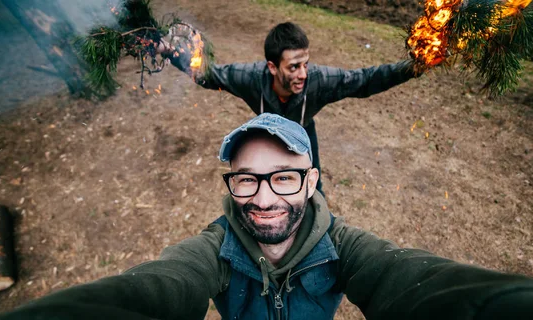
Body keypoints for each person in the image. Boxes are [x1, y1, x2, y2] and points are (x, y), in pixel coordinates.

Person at [0, 113, 533, 320]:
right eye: (246, 180)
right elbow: (151, 293)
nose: (262, 198)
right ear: (231, 185)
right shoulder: (211, 249)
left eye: (283, 178)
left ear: (312, 182)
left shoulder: (349, 248)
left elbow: (414, 283)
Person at [162, 22, 423, 193]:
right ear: (272, 67)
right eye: (293, 67)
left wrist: (412, 68)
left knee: (311, 189)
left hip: (303, 132)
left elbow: (364, 81)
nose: (303, 74)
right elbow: (209, 75)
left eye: (305, 64)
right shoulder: (250, 78)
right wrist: (168, 51)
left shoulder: (319, 80)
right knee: (265, 188)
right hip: (267, 136)